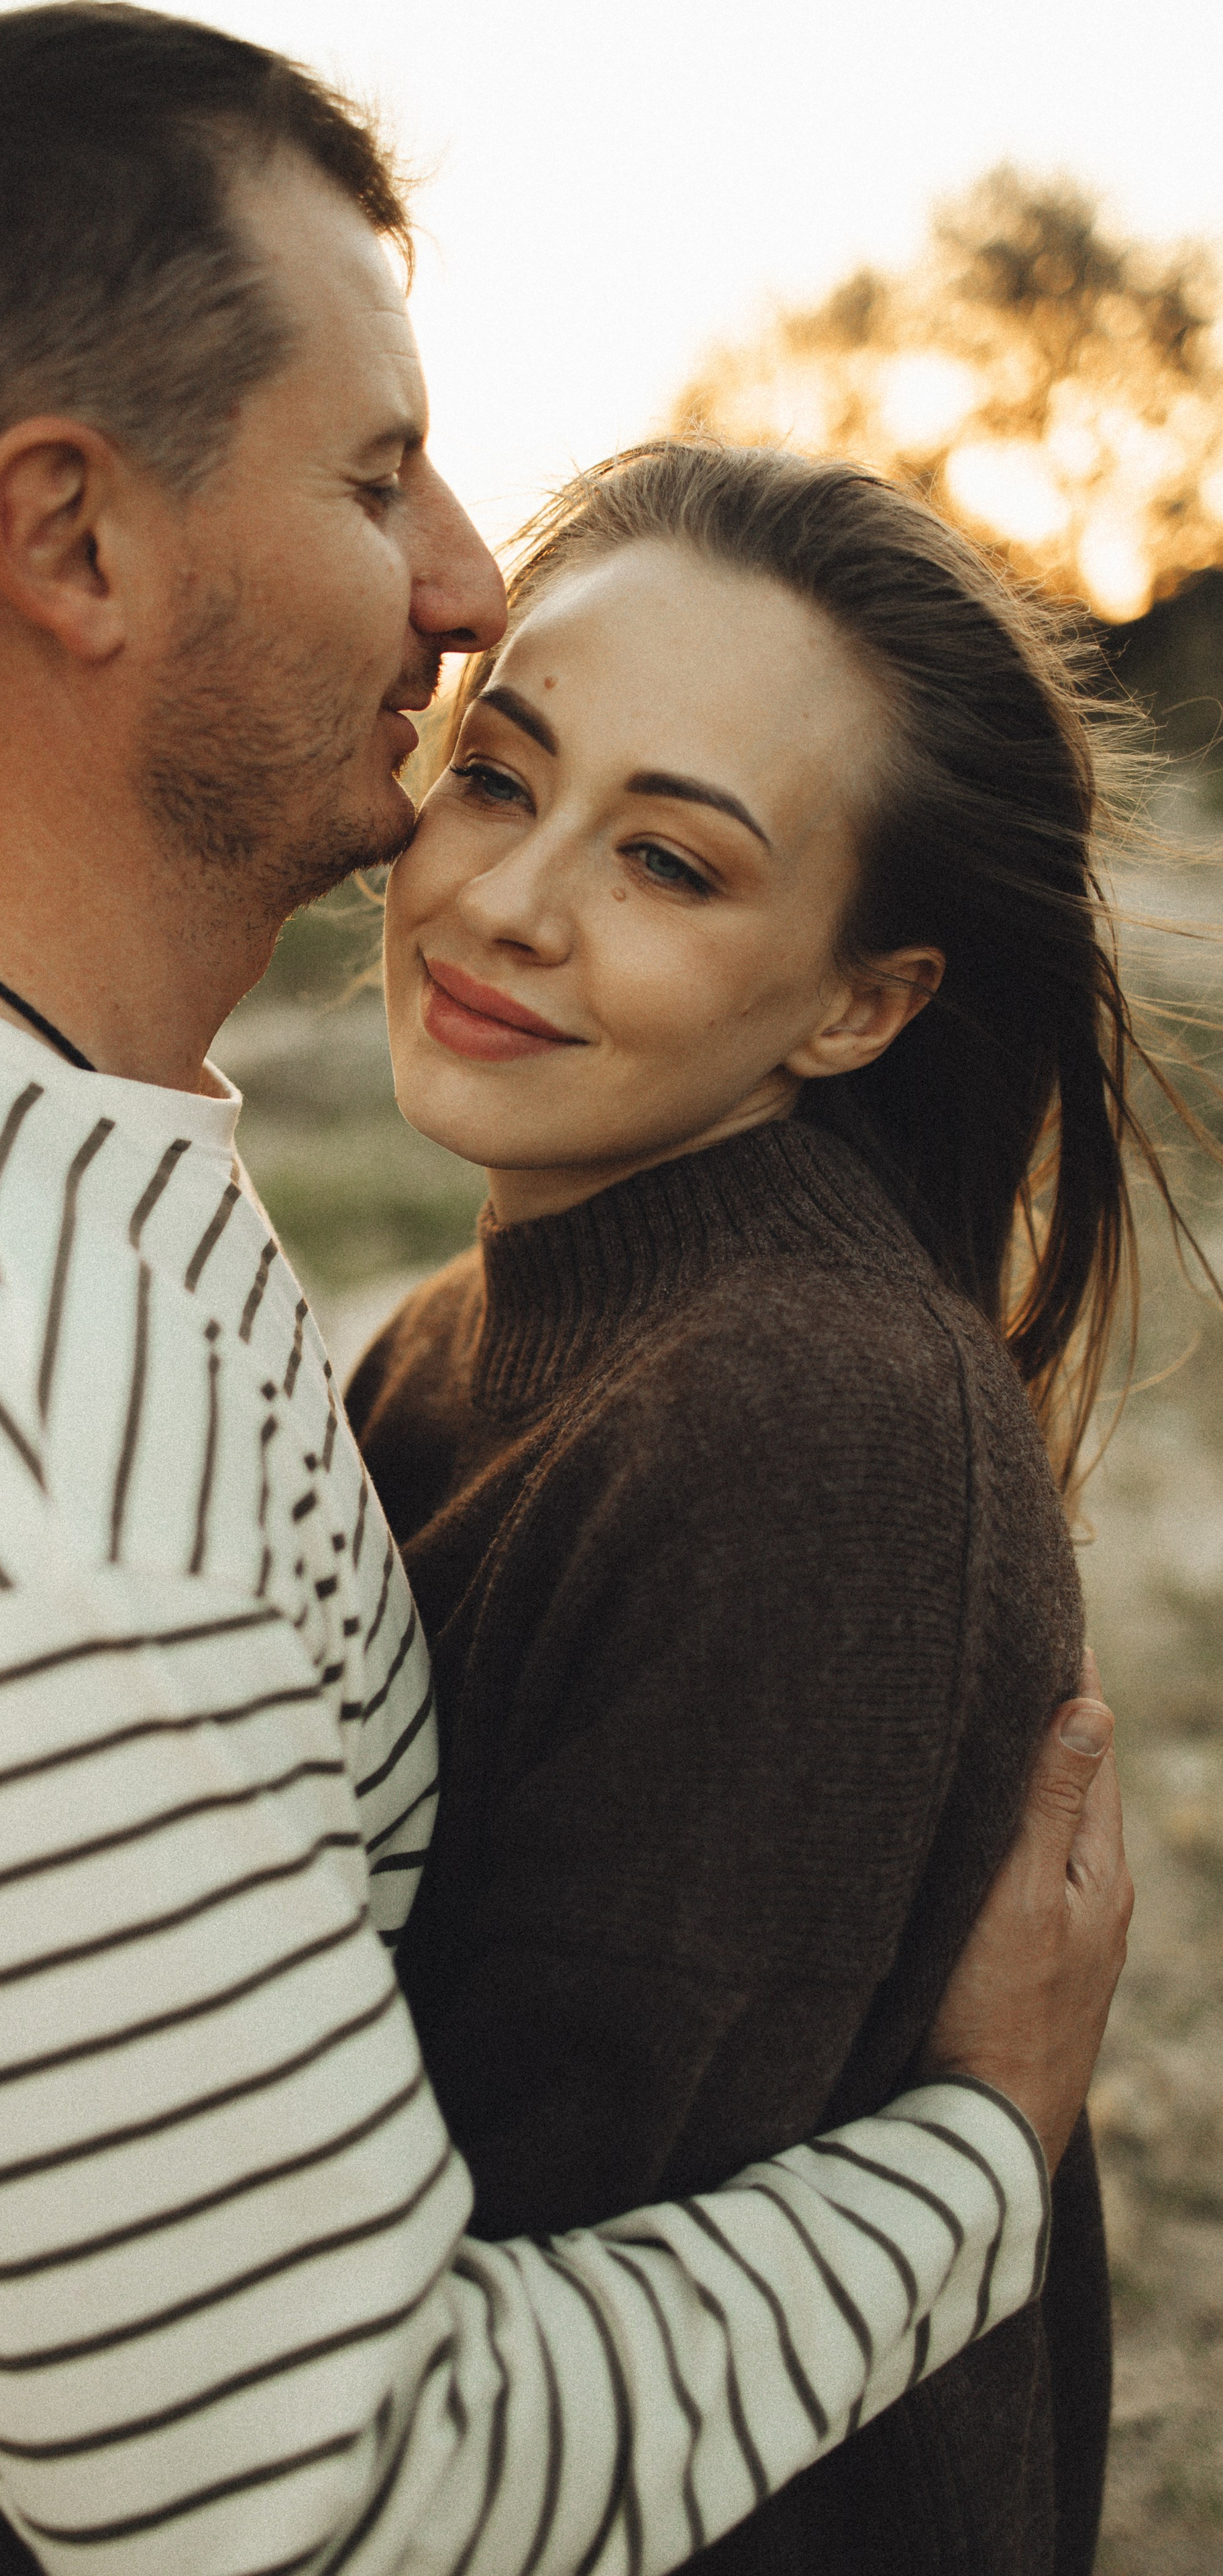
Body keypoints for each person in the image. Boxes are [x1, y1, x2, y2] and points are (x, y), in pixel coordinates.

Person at [0, 11, 1128, 2576]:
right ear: (76, 540)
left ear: (862, 993)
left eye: (679, 856)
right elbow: (302, 2496)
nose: (465, 584)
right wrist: (973, 2160)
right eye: (377, 477)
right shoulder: (22, 1456)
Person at [351, 437, 1184, 2571]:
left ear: (861, 1003)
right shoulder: (461, 1334)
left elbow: (445, 2396)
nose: (512, 901)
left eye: (674, 866)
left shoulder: (804, 1427)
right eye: (503, 775)